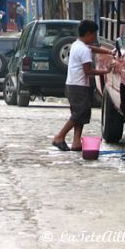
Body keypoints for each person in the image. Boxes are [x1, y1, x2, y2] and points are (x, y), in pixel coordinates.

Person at [51, 20, 115, 152]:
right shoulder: (84, 50)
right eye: (94, 35)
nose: (95, 38)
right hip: (78, 86)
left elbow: (92, 48)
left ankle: (76, 142)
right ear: (87, 34)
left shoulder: (77, 44)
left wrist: (109, 52)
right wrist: (106, 71)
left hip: (72, 84)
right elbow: (88, 71)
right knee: (79, 113)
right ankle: (59, 136)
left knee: (80, 115)